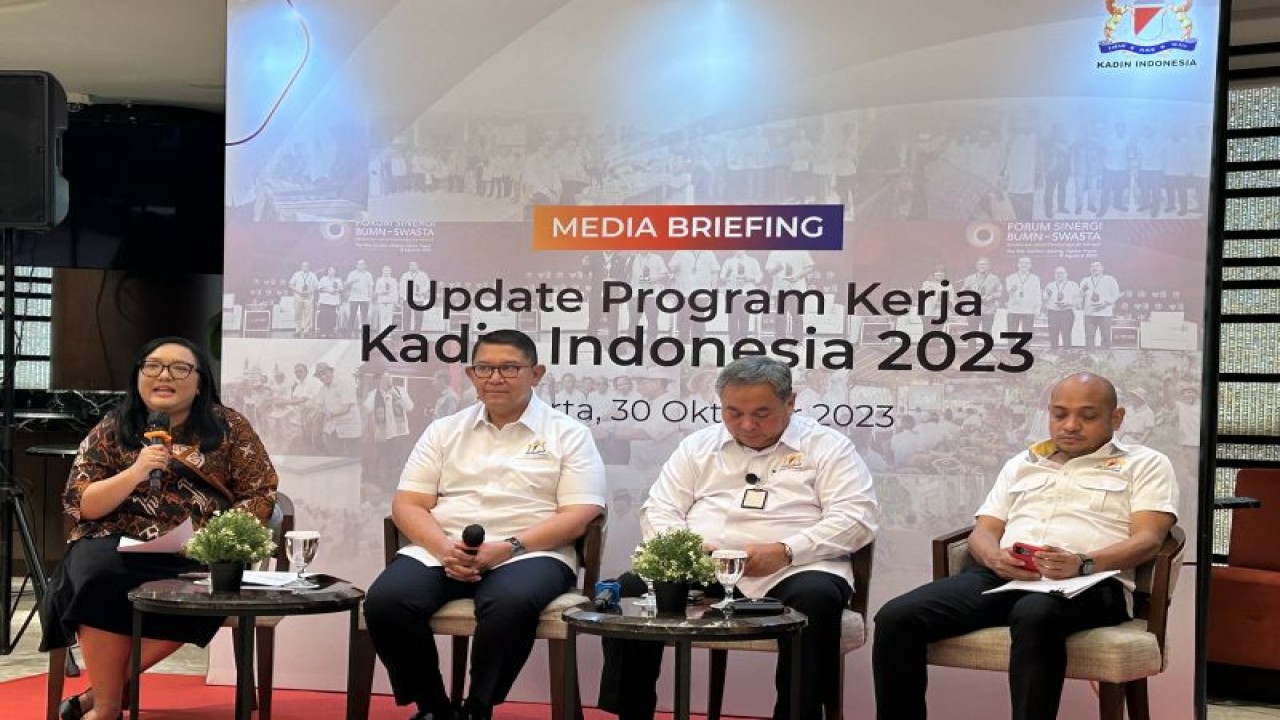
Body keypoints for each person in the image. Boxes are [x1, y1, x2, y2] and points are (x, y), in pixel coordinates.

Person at [872, 372, 1178, 720]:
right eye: (1059, 414)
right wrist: (994, 557)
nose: (1071, 425)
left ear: (1117, 418)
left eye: (1088, 416)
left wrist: (1084, 563)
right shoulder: (1021, 463)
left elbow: (1148, 539)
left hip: (1091, 582)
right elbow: (982, 531)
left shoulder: (1145, 463)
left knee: (1034, 613)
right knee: (896, 618)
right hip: (1005, 577)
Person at [598, 356, 879, 720]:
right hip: (705, 564)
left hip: (794, 568)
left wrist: (786, 551)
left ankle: (798, 714)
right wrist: (689, 550)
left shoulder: (828, 446)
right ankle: (630, 713)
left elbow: (856, 518)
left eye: (762, 413)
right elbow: (659, 509)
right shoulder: (698, 446)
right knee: (633, 587)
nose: (747, 425)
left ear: (790, 401)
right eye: (733, 413)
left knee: (817, 599)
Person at [362, 329, 606, 720]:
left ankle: (479, 707)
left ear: (536, 373)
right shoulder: (444, 430)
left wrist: (508, 548)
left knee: (508, 603)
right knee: (387, 602)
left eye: (509, 368)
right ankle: (435, 708)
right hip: (443, 548)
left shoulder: (569, 433)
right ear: (472, 374)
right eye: (485, 368)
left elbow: (581, 513)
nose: (495, 378)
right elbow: (408, 503)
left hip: (530, 552)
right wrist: (443, 547)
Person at [41, 336, 279, 720]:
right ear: (138, 376)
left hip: (198, 549)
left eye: (179, 368)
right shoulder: (114, 426)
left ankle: (95, 697)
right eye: (153, 366)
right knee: (96, 575)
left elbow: (261, 491)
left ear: (199, 382)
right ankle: (106, 708)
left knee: (201, 589)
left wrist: (220, 539)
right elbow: (83, 501)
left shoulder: (228, 426)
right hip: (116, 543)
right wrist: (137, 470)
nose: (164, 375)